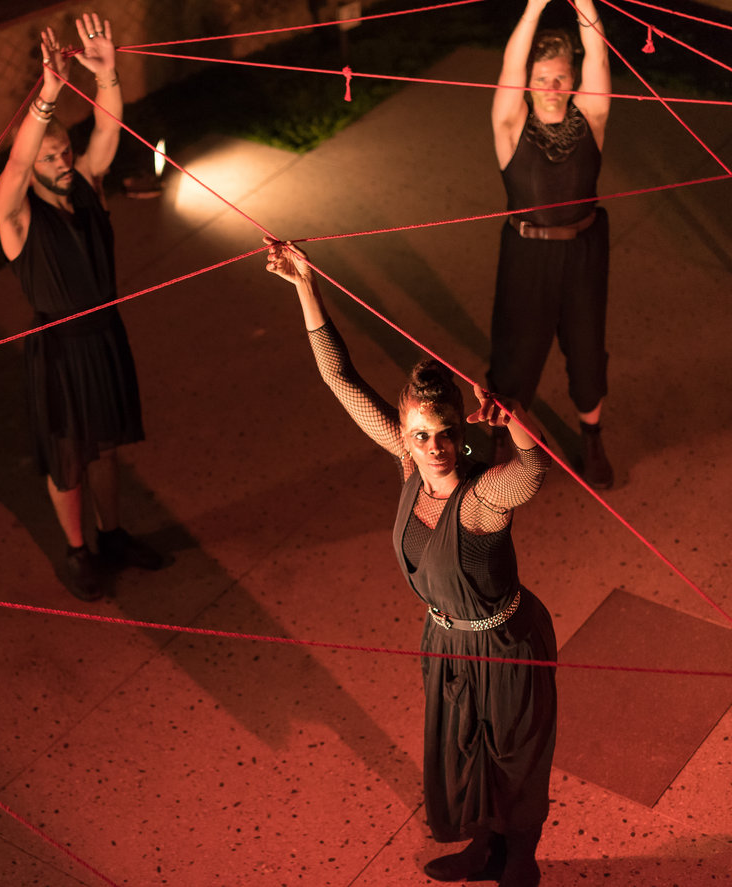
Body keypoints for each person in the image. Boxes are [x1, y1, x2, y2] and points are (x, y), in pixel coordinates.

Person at [266, 241, 557, 887]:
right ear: (405, 432)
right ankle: (483, 847)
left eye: (447, 433)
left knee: (514, 754)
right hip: (446, 641)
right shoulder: (406, 463)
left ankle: (521, 858)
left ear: (462, 430)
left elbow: (533, 474)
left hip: (504, 644)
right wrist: (305, 285)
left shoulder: (480, 499)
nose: (434, 447)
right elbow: (341, 380)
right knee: (465, 749)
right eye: (421, 434)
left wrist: (514, 422)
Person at [0, 13, 162, 601]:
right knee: (68, 456)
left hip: (105, 335)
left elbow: (109, 129)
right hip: (59, 349)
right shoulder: (14, 217)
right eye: (49, 157)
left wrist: (107, 75)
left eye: (64, 150)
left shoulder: (89, 184)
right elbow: (15, 166)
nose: (62, 161)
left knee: (106, 448)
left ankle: (112, 537)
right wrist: (47, 96)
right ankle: (77, 551)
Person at [490, 0, 613, 488]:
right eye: (542, 78)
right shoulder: (510, 126)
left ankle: (592, 438)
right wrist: (535, 6)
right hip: (527, 255)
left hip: (584, 252)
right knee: (515, 351)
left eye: (561, 77)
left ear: (573, 79)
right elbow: (510, 66)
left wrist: (584, 3)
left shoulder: (592, 117)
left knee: (587, 349)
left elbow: (598, 56)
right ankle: (498, 440)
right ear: (528, 81)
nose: (552, 87)